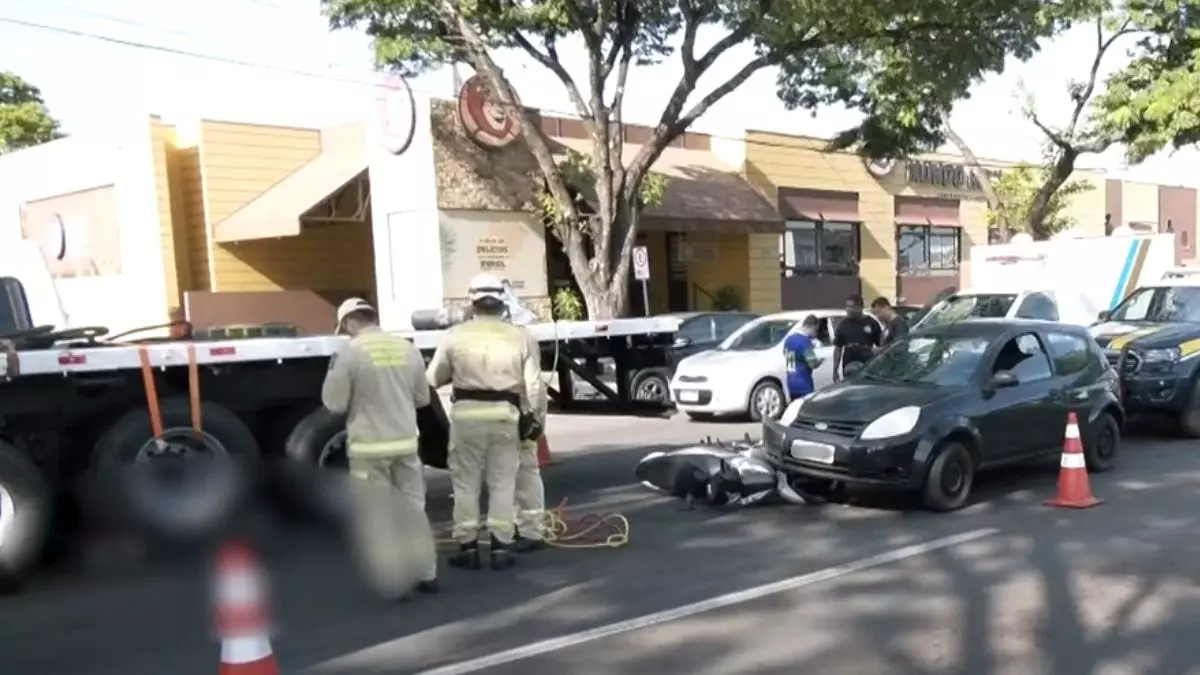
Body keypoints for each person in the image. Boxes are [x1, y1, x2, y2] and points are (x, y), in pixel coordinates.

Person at [322, 297, 439, 599]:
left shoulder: (349, 353)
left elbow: (334, 404)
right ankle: (426, 574)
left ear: (349, 323)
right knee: (413, 507)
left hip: (369, 447)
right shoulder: (407, 349)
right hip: (405, 443)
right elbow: (422, 399)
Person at [427, 273, 545, 571]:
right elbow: (534, 387)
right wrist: (536, 421)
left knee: (465, 485)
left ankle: (467, 548)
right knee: (503, 484)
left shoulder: (455, 336)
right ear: (502, 301)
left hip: (466, 419)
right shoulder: (521, 337)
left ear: (472, 301)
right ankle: (500, 548)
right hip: (506, 418)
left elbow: (433, 378)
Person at [832, 294, 881, 381]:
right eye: (846, 306)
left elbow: (881, 347)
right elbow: (838, 348)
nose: (848, 309)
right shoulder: (843, 324)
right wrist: (835, 370)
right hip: (848, 368)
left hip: (867, 368)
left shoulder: (871, 323)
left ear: (860, 307)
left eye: (851, 306)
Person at [782, 315, 823, 400]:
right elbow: (812, 363)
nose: (816, 334)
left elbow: (787, 357)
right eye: (816, 330)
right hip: (804, 383)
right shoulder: (804, 341)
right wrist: (820, 361)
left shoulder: (789, 339)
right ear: (811, 326)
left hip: (791, 382)